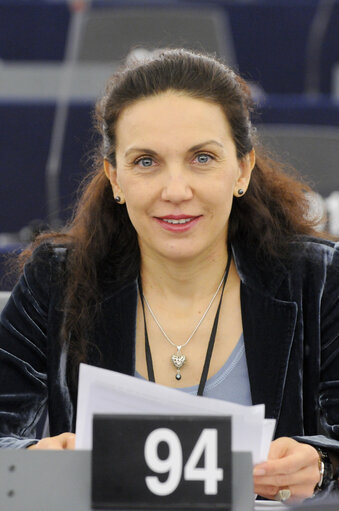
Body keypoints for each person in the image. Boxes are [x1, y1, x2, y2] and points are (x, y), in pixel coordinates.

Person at [0, 48, 338, 502]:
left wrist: (321, 466)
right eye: (145, 162)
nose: (176, 191)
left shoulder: (319, 280)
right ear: (115, 178)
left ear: (242, 168)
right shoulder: (56, 278)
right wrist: (32, 458)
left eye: (202, 158)